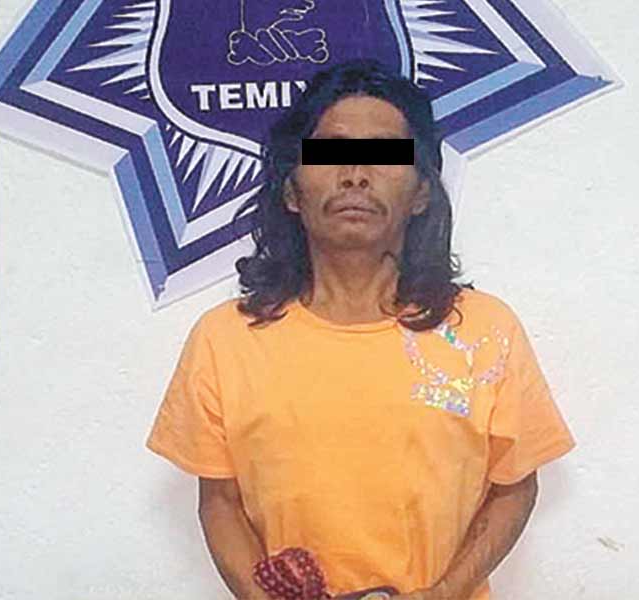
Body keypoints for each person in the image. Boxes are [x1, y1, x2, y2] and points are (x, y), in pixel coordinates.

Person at [145, 59, 575, 600]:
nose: (354, 174)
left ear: (421, 193)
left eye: (384, 154)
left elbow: (515, 487)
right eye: (330, 153)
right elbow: (220, 502)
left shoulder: (486, 331)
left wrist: (443, 594)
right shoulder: (224, 339)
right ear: (291, 192)